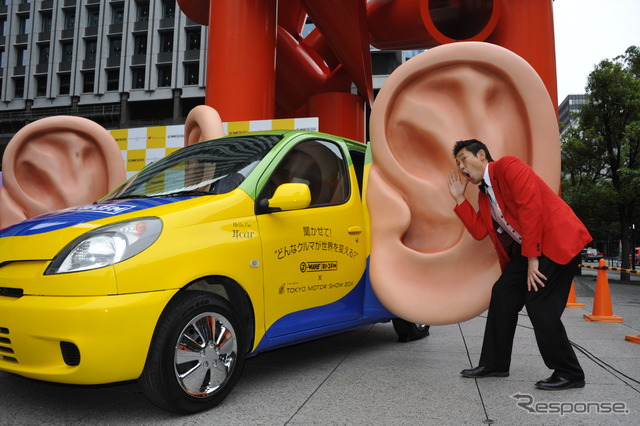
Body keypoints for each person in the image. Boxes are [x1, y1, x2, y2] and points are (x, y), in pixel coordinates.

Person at [447, 139, 592, 390]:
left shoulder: (508, 167)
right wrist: (460, 199)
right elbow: (481, 231)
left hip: (556, 242)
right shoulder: (484, 196)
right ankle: (495, 363)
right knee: (502, 294)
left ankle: (570, 372)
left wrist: (533, 258)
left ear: (481, 155)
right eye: (457, 163)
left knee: (539, 303)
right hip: (528, 252)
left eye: (463, 159)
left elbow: (531, 208)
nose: (461, 167)